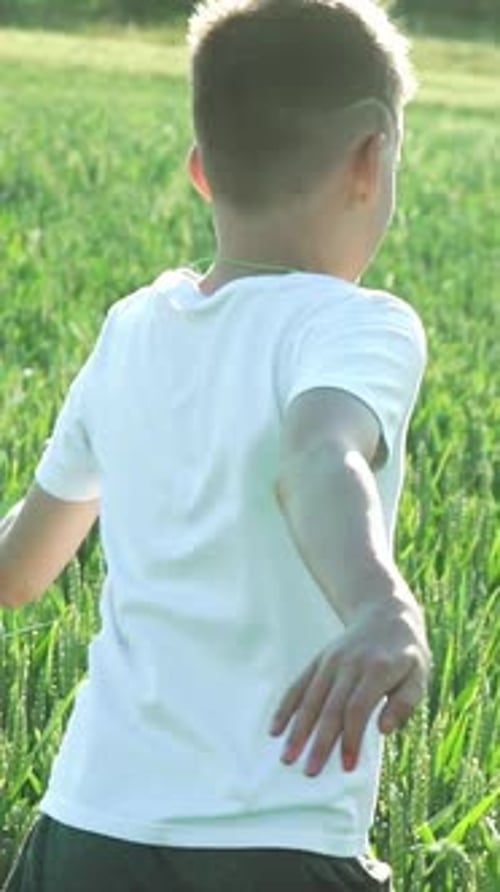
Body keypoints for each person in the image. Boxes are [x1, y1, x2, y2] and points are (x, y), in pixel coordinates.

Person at [1, 1, 432, 890]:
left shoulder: (131, 328)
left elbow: (18, 572)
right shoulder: (360, 326)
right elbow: (316, 457)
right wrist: (380, 603)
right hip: (274, 845)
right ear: (372, 154)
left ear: (201, 171)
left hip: (86, 830)